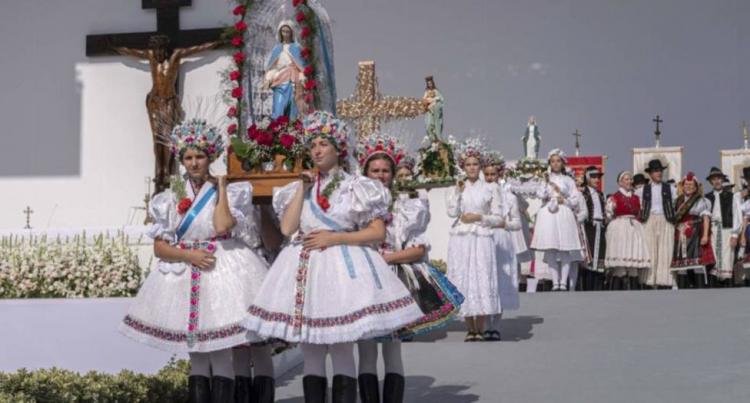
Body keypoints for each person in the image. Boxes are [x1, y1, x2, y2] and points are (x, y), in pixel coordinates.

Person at [243, 111, 422, 403]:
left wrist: (334, 237)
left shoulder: (358, 186)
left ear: (338, 148)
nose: (316, 149)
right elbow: (288, 228)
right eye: (312, 144)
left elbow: (376, 233)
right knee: (311, 350)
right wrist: (302, 187)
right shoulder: (299, 188)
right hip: (306, 270)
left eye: (323, 144)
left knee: (341, 349)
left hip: (342, 269)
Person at [119, 118, 270, 403]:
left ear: (210, 157)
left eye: (200, 156)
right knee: (197, 356)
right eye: (188, 157)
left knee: (222, 351)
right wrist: (188, 255)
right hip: (187, 271)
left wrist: (222, 188)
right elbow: (161, 247)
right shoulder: (169, 198)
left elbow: (223, 225)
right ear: (181, 159)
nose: (194, 163)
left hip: (222, 268)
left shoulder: (228, 191)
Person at [355, 133, 463, 402]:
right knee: (366, 351)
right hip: (364, 283)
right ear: (365, 173)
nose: (380, 176)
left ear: (393, 174)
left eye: (385, 171)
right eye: (375, 171)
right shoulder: (355, 208)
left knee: (392, 350)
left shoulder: (407, 207)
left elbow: (418, 249)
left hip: (394, 281)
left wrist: (387, 258)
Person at [446, 138, 503, 342]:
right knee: (465, 278)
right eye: (468, 164)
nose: (471, 168)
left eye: (475, 164)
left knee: (481, 277)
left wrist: (479, 217)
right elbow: (452, 212)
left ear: (480, 166)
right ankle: (470, 328)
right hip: (461, 237)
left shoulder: (491, 188)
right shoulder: (458, 187)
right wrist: (457, 192)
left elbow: (498, 217)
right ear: (463, 166)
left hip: (481, 237)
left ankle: (482, 325)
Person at [530, 149, 584, 291]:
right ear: (550, 163)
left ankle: (563, 282)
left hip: (563, 212)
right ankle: (555, 282)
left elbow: (575, 199)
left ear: (562, 163)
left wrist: (564, 200)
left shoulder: (568, 180)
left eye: (558, 161)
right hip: (548, 213)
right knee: (551, 248)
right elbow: (539, 194)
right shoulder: (545, 179)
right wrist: (545, 185)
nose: (555, 163)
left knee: (565, 248)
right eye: (553, 161)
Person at [482, 151, 521, 340]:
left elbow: (517, 223)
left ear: (500, 175)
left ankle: (495, 325)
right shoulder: (479, 194)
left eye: (493, 174)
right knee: (485, 281)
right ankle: (484, 322)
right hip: (482, 239)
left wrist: (502, 223)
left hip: (501, 240)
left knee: (500, 281)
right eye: (487, 174)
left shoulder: (509, 198)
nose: (490, 178)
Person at [604, 171, 651, 290]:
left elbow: (640, 213)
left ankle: (634, 292)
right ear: (620, 182)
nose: (629, 181)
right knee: (620, 262)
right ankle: (617, 292)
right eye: (626, 179)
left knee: (633, 263)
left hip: (634, 228)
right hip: (620, 228)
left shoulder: (636, 198)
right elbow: (609, 215)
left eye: (630, 179)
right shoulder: (614, 197)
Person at [636, 159, 677, 289]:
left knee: (666, 250)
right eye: (655, 171)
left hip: (666, 219)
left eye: (660, 170)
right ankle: (648, 281)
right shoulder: (643, 190)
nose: (658, 173)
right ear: (650, 174)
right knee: (650, 250)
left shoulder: (670, 188)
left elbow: (677, 204)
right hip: (649, 220)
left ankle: (664, 280)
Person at [670, 172, 715, 289]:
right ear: (682, 186)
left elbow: (705, 218)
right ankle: (682, 294)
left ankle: (699, 292)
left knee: (697, 264)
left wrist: (705, 235)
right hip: (680, 235)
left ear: (696, 187)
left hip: (695, 234)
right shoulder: (678, 201)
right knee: (681, 267)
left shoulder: (702, 201)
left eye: (691, 185)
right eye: (686, 184)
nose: (688, 187)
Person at [704, 167, 742, 287]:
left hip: (727, 230)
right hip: (713, 231)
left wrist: (735, 235)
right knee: (713, 260)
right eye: (714, 179)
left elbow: (737, 216)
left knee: (728, 259)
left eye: (719, 178)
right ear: (710, 181)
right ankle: (714, 290)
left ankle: (729, 289)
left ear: (722, 179)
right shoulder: (707, 197)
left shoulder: (732, 196)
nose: (716, 181)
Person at [264, 21, 307, 119]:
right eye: (283, 31)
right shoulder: (277, 49)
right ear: (280, 32)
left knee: (292, 107)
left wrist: (302, 77)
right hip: (279, 81)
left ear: (292, 33)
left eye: (288, 32)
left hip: (293, 82)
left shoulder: (296, 48)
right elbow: (271, 67)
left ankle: (292, 131)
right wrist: (268, 77)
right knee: (278, 108)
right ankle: (277, 129)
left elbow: (302, 67)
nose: (285, 34)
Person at [580, 166, 607, 290]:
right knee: (588, 256)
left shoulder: (600, 194)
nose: (597, 180)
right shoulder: (583, 193)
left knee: (600, 255)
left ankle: (598, 287)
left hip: (600, 227)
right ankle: (586, 287)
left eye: (598, 177)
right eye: (594, 177)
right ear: (587, 178)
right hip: (588, 226)